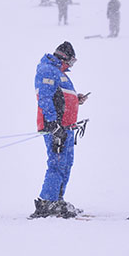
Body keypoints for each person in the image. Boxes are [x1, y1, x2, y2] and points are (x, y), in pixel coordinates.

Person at [31, 41, 88, 219]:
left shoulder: (61, 74)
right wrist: (53, 124)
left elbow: (60, 97)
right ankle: (47, 202)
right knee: (56, 163)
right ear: (64, 57)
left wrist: (75, 100)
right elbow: (45, 98)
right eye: (72, 61)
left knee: (65, 163)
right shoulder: (47, 70)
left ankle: (58, 199)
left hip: (67, 127)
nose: (72, 65)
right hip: (55, 127)